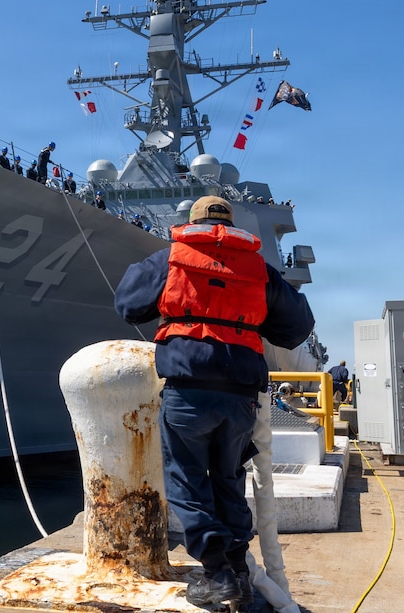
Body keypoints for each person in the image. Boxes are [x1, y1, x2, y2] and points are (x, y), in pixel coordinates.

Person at [114, 195, 314, 609]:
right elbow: (297, 328)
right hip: (240, 396)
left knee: (187, 480)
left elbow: (128, 305)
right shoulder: (259, 268)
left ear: (193, 221)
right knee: (228, 478)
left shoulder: (172, 257)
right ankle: (238, 568)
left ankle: (218, 573)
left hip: (188, 388)